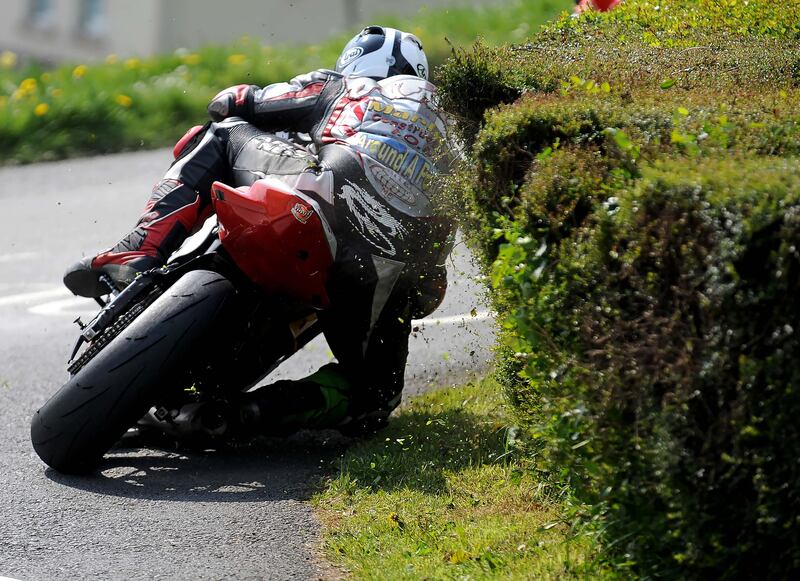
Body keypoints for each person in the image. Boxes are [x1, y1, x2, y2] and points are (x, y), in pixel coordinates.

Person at [63, 26, 455, 439]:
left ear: (355, 60)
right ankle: (251, 413)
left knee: (221, 133)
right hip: (377, 267)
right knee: (375, 396)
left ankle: (138, 251)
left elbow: (233, 101)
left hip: (319, 197)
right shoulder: (450, 137)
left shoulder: (342, 85)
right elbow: (430, 285)